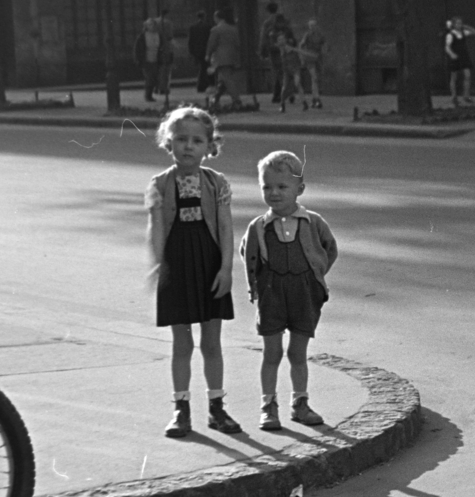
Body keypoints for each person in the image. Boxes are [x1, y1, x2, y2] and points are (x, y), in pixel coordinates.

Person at [145, 105, 244, 438]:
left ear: (209, 146)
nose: (188, 146)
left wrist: (226, 269)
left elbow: (226, 228)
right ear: (168, 142)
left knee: (212, 342)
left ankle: (217, 408)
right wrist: (160, 266)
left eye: (197, 140)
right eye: (181, 139)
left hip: (209, 263)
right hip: (178, 266)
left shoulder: (217, 183)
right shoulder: (160, 184)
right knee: (182, 343)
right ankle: (181, 409)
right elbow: (157, 228)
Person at [240, 150, 338, 431]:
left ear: (300, 189)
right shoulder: (258, 226)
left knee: (297, 353)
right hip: (271, 295)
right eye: (267, 187)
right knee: (271, 353)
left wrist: (315, 277)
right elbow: (247, 254)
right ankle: (268, 406)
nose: (274, 193)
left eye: (282, 186)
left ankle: (300, 403)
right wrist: (257, 286)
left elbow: (329, 249)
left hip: (303, 294)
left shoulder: (313, 222)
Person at [205, 8, 244, 112]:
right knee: (222, 80)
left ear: (217, 18)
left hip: (221, 57)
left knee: (227, 80)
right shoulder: (233, 29)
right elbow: (237, 43)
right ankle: (215, 99)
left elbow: (212, 43)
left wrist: (208, 54)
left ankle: (237, 100)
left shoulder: (216, 30)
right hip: (232, 56)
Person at [135, 11, 174, 103]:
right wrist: (139, 60)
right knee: (149, 78)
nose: (152, 26)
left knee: (155, 78)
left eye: (153, 24)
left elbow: (162, 46)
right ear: (146, 26)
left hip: (156, 60)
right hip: (146, 60)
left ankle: (150, 94)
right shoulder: (142, 37)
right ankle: (148, 95)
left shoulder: (158, 35)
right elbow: (138, 49)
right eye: (150, 25)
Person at [257, 1, 291, 103]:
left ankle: (279, 93)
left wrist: (261, 51)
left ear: (268, 11)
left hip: (273, 50)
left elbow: (263, 38)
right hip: (285, 48)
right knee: (283, 70)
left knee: (276, 71)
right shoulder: (284, 20)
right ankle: (283, 92)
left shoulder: (267, 22)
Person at [443, 16, 475, 104]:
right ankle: (454, 97)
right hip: (455, 57)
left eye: (460, 23)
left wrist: (466, 26)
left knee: (467, 76)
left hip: (464, 57)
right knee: (454, 77)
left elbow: (474, 32)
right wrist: (452, 54)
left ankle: (466, 96)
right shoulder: (450, 35)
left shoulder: (463, 33)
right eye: (457, 23)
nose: (459, 25)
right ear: (453, 24)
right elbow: (447, 47)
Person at [275, 27, 304, 112]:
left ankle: (304, 102)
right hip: (286, 71)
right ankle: (282, 104)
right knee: (284, 88)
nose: (281, 41)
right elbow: (279, 48)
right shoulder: (280, 47)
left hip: (295, 69)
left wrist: (300, 58)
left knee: (297, 84)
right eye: (279, 39)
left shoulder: (290, 45)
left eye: (282, 39)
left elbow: (298, 52)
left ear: (285, 39)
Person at [298, 19, 325, 108]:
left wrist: (324, 51)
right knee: (314, 77)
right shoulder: (307, 35)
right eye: (310, 26)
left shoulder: (320, 35)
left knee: (316, 79)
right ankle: (317, 99)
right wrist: (302, 56)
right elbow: (301, 45)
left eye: (314, 25)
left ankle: (314, 99)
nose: (312, 27)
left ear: (316, 26)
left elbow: (324, 45)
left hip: (318, 58)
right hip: (310, 59)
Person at [187, 11, 212, 95]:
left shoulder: (193, 27)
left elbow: (190, 40)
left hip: (197, 51)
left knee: (202, 67)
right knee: (204, 67)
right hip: (205, 49)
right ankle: (202, 85)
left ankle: (202, 85)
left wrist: (191, 51)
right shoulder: (208, 27)